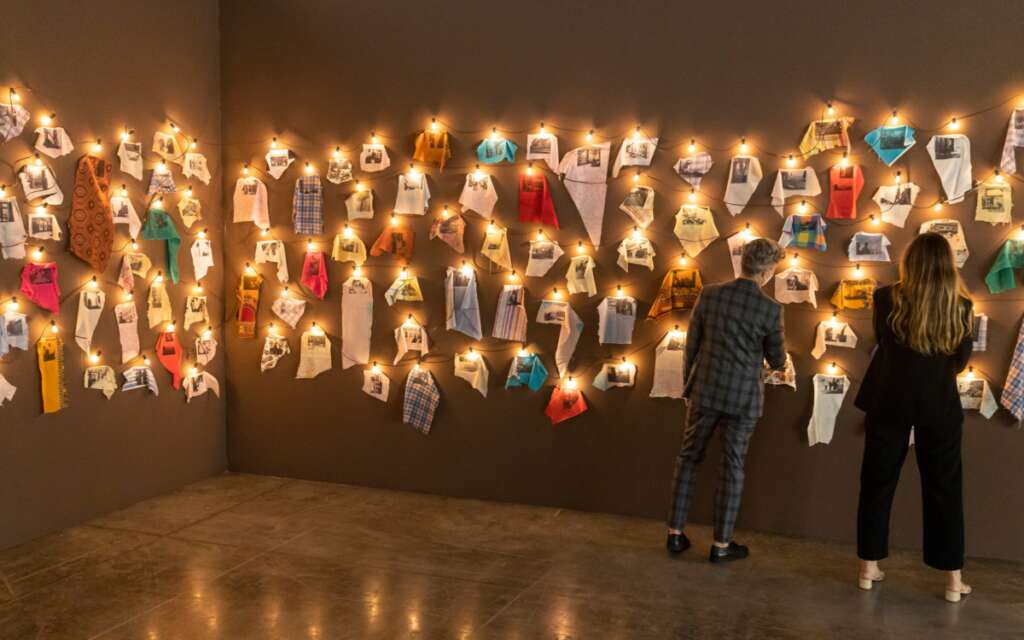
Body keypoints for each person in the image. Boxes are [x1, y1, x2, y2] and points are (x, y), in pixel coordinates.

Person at [853, 232, 973, 603]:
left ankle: (868, 568)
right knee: (944, 489)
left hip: (889, 400)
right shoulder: (962, 305)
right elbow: (960, 361)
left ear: (910, 261)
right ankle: (953, 581)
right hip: (938, 403)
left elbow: (883, 342)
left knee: (877, 483)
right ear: (947, 264)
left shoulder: (885, 297)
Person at [666, 237, 786, 563]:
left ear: (743, 262)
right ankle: (721, 545)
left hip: (704, 391)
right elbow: (777, 360)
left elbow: (692, 345)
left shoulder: (709, 295)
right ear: (768, 271)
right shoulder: (770, 309)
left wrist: (688, 388)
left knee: (688, 458)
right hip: (743, 399)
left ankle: (675, 534)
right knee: (732, 468)